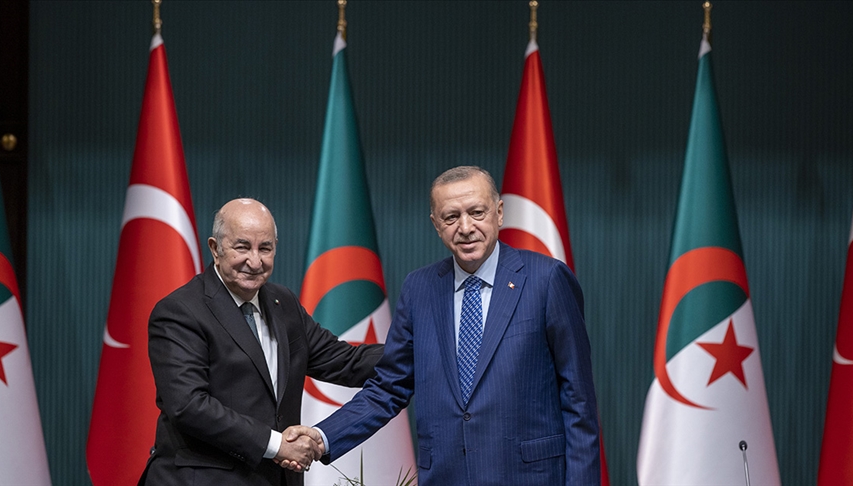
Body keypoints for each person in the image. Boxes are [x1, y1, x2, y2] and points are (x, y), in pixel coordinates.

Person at [301, 166, 601, 485]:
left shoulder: (547, 279)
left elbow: (578, 400)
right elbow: (389, 385)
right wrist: (322, 437)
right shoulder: (419, 288)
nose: (466, 227)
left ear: (499, 213)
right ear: (436, 224)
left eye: (477, 212)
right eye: (451, 217)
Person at [140, 198, 382, 486]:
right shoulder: (180, 311)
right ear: (215, 249)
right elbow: (189, 406)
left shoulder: (284, 304)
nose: (255, 262)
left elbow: (346, 362)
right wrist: (277, 444)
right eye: (242, 247)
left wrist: (417, 349)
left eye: (265, 248)